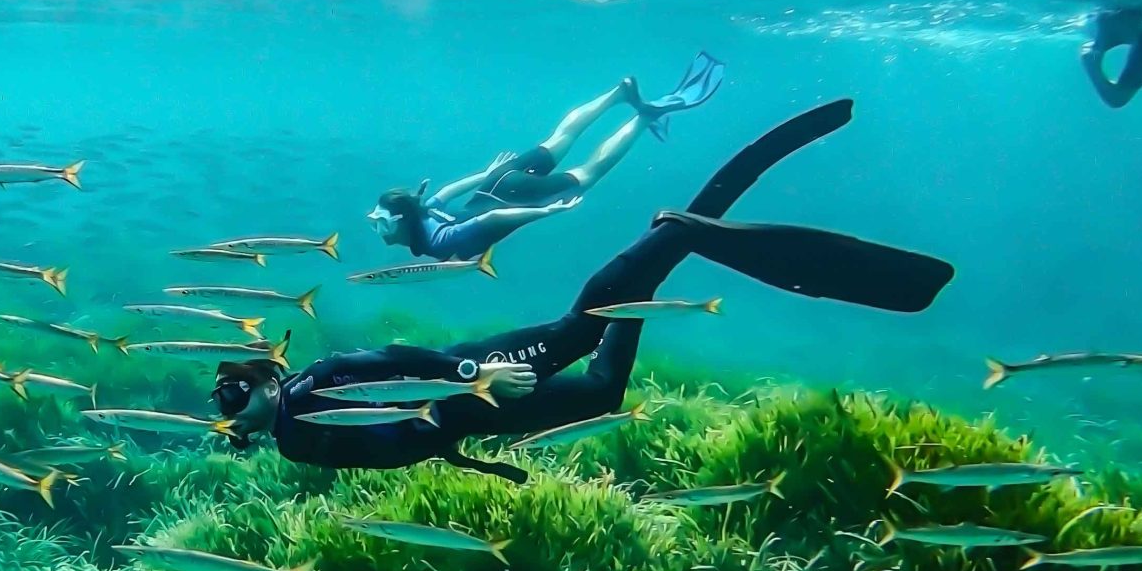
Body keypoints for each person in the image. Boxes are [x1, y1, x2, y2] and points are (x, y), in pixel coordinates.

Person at [215, 100, 952, 480]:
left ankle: (674, 234)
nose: (229, 408)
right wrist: (466, 453)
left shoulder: (313, 386)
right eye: (223, 405)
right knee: (601, 391)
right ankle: (664, 253)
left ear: (268, 380)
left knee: (579, 327)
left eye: (232, 393)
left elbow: (393, 362)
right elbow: (391, 442)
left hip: (481, 383)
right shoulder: (295, 441)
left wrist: (475, 377)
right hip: (477, 418)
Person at [369, 52, 726, 262]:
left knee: (589, 173)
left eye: (381, 222)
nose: (377, 228)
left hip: (515, 197)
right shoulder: (422, 210)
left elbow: (493, 217)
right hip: (498, 181)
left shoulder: (437, 242)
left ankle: (645, 117)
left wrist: (545, 212)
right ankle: (618, 93)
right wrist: (488, 173)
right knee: (559, 138)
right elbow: (447, 192)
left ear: (399, 221)